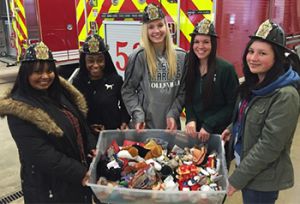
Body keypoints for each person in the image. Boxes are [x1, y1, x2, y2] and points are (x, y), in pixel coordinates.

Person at [0, 42, 96, 203]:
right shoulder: (18, 109)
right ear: (26, 74)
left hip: (73, 179)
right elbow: (42, 154)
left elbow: (80, 123)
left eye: (49, 70)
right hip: (48, 187)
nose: (45, 76)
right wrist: (80, 173)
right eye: (37, 72)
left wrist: (92, 145)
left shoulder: (59, 93)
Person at [221, 19, 300, 204]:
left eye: (262, 53)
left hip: (263, 180)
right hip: (248, 167)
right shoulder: (255, 83)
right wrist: (232, 128)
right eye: (251, 51)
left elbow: (269, 147)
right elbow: (247, 114)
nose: (253, 58)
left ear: (277, 58)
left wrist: (237, 178)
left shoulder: (286, 96)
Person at [121, 3, 187, 130]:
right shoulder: (138, 57)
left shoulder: (182, 56)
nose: (156, 31)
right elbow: (128, 90)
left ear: (167, 27)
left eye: (160, 25)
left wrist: (173, 114)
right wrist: (138, 115)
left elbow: (183, 92)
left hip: (172, 128)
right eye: (151, 27)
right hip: (145, 127)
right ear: (145, 30)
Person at [185, 18, 239, 145]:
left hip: (219, 134)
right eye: (196, 42)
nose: (200, 46)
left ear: (213, 44)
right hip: (195, 133)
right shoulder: (189, 66)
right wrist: (190, 119)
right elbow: (188, 98)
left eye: (206, 42)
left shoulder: (226, 69)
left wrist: (209, 124)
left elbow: (233, 106)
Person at [73, 34, 130, 135]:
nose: (95, 65)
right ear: (84, 61)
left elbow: (125, 104)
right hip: (89, 135)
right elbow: (75, 112)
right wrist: (88, 126)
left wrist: (124, 121)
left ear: (106, 60)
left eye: (100, 60)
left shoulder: (116, 80)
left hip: (113, 132)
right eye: (90, 61)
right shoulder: (78, 83)